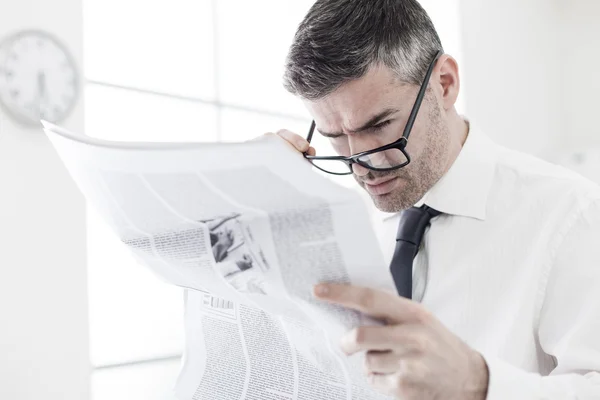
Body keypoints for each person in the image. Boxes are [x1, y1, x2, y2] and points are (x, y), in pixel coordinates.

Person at [265, 0, 600, 399]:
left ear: (444, 83)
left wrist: (478, 383)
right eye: (335, 137)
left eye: (380, 125)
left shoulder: (570, 213)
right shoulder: (342, 226)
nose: (362, 166)